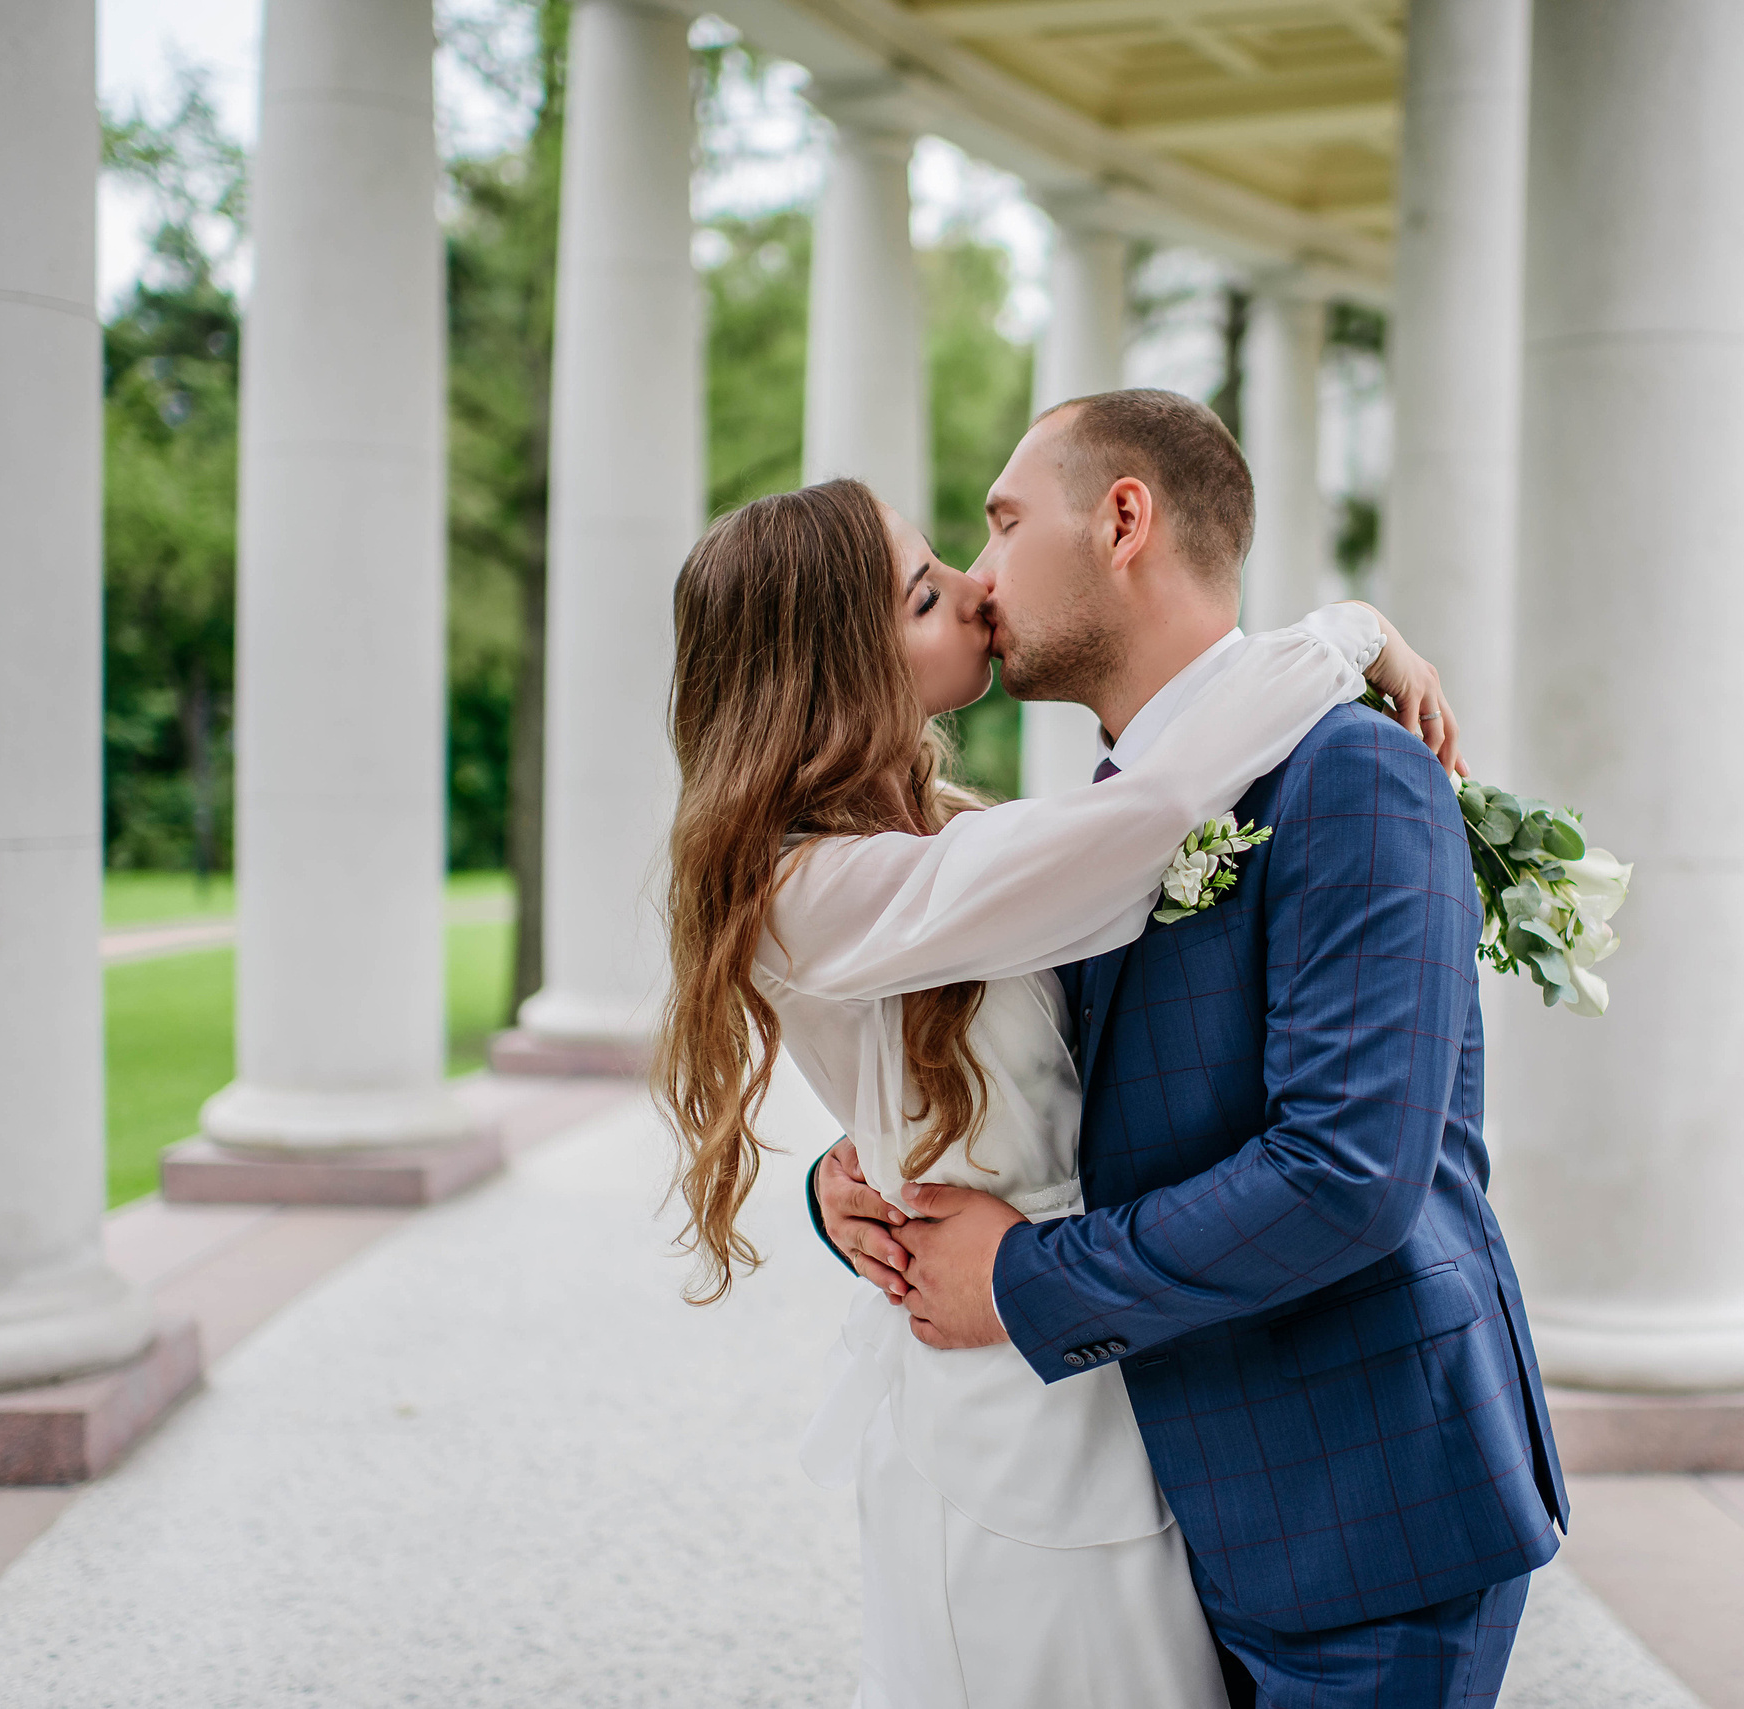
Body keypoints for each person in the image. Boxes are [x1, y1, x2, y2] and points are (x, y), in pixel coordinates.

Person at [657, 468, 1454, 1709]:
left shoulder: (926, 844)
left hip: (1095, 1369)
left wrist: (847, 1180)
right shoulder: (806, 889)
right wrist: (1342, 636)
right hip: (1015, 1417)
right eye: (926, 593)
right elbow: (1147, 822)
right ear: (834, 672)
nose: (977, 590)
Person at [819, 389, 1568, 1708]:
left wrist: (1027, 1280)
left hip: (1362, 1511)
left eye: (1001, 522)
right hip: (1170, 1510)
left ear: (1123, 519)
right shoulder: (1093, 829)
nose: (981, 579)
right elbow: (1034, 1096)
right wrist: (854, 1183)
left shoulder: (1354, 775)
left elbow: (1348, 1175)